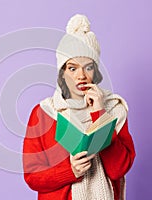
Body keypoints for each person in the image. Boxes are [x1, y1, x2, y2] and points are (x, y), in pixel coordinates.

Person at [23, 14, 135, 200]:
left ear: (96, 70)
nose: (81, 76)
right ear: (63, 72)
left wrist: (99, 114)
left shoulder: (115, 109)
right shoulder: (44, 113)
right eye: (72, 68)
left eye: (88, 67)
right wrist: (71, 170)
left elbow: (118, 169)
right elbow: (32, 177)